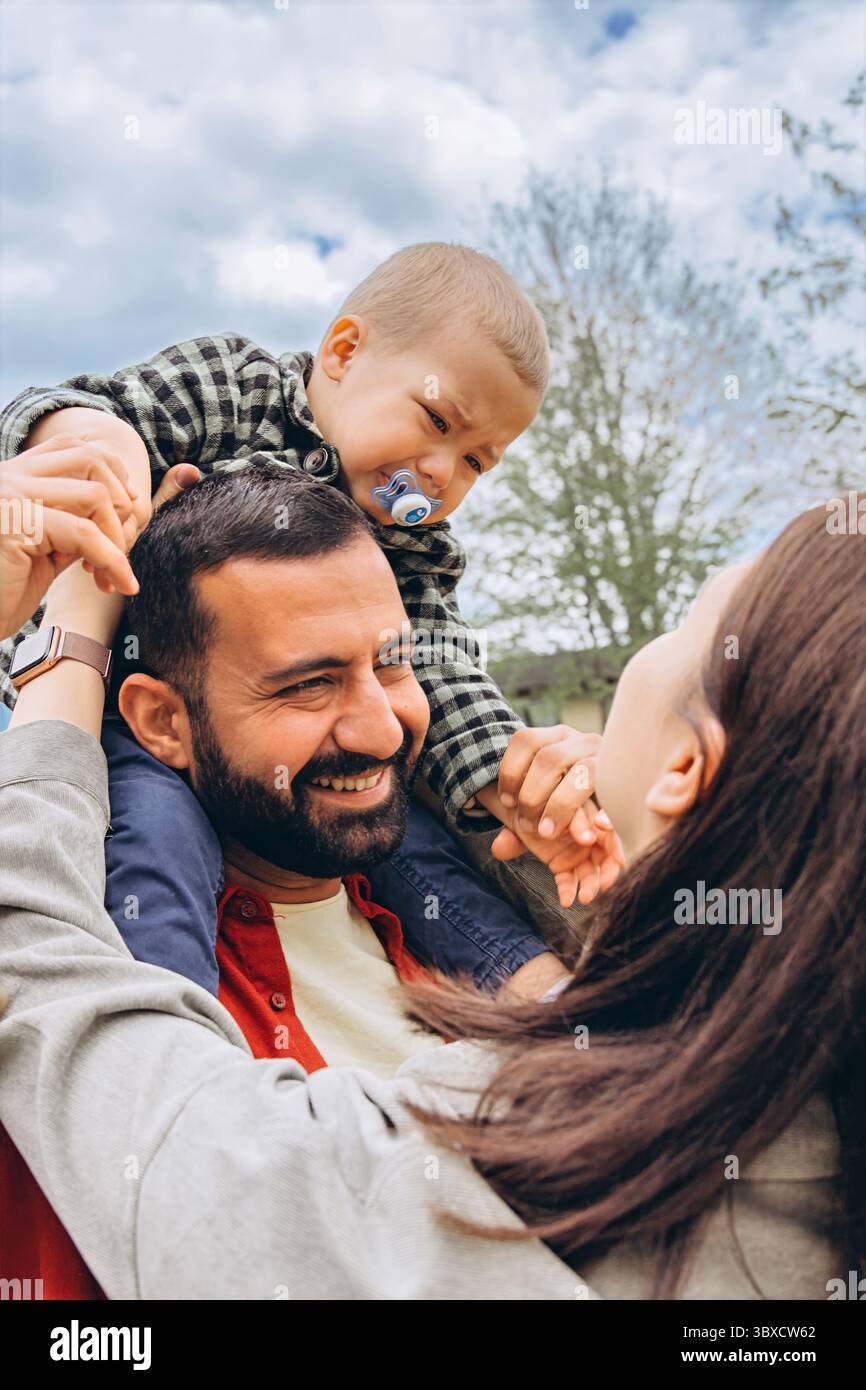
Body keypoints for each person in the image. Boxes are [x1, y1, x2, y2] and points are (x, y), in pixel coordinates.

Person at [1, 487, 861, 1299]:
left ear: (686, 768)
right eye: (307, 682)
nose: (383, 726)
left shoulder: (600, 1113)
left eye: (397, 661)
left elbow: (138, 1104)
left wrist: (66, 634)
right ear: (160, 720)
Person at [0, 240, 621, 1001]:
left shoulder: (415, 545)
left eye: (475, 463)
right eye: (435, 420)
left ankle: (541, 996)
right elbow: (93, 409)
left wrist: (507, 780)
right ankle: (167, 1026)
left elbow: (442, 673)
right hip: (136, 722)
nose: (439, 472)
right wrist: (101, 453)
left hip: (305, 777)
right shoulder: (237, 387)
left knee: (412, 844)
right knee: (153, 844)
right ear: (345, 352)